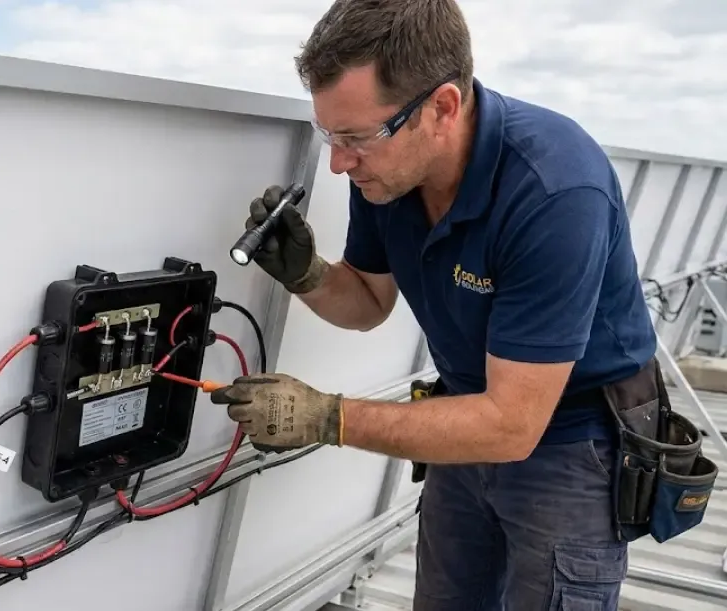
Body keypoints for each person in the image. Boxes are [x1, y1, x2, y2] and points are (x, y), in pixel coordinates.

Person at [209, 1, 659, 609]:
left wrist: (325, 417)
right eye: (329, 136)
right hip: (466, 421)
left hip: (573, 449)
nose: (340, 163)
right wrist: (308, 274)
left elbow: (512, 425)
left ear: (442, 108)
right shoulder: (390, 174)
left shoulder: (555, 189)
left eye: (356, 138)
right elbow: (368, 302)